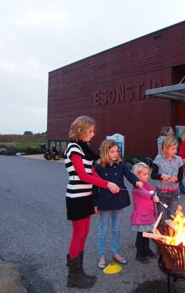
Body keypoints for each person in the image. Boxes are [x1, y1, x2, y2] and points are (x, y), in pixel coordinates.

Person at [63, 116, 120, 289]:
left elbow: (92, 172)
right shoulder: (73, 148)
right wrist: (106, 184)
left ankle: (79, 272)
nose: (93, 134)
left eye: (93, 131)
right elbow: (82, 175)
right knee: (78, 234)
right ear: (81, 129)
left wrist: (107, 184)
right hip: (76, 196)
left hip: (85, 195)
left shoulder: (84, 148)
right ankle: (73, 277)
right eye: (90, 131)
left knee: (84, 233)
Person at [93, 139, 143, 269]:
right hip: (104, 202)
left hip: (118, 201)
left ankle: (116, 252)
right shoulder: (98, 166)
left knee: (116, 228)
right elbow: (94, 186)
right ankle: (102, 255)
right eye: (112, 151)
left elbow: (129, 175)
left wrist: (136, 182)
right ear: (105, 152)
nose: (115, 154)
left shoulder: (121, 164)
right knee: (103, 229)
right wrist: (95, 204)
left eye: (117, 151)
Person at [130, 162, 160, 264]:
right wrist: (152, 196)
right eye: (144, 174)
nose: (147, 176)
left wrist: (154, 194)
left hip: (148, 215)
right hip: (142, 216)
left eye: (148, 174)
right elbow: (144, 193)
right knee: (141, 236)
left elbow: (150, 190)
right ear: (137, 175)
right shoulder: (137, 185)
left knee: (146, 235)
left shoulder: (145, 184)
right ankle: (139, 254)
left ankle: (146, 250)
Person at [151, 136, 184, 222]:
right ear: (166, 148)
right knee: (161, 217)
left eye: (176, 149)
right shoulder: (159, 158)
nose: (175, 151)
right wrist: (161, 176)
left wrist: (176, 179)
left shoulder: (178, 160)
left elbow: (181, 177)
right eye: (172, 149)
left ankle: (171, 234)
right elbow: (153, 175)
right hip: (161, 192)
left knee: (172, 216)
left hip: (174, 193)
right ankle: (161, 233)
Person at [157, 126, 185, 194]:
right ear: (165, 131)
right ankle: (178, 189)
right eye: (169, 131)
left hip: (169, 158)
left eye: (172, 131)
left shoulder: (167, 139)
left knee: (175, 174)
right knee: (168, 174)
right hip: (165, 159)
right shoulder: (163, 139)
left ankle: (180, 188)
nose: (171, 132)